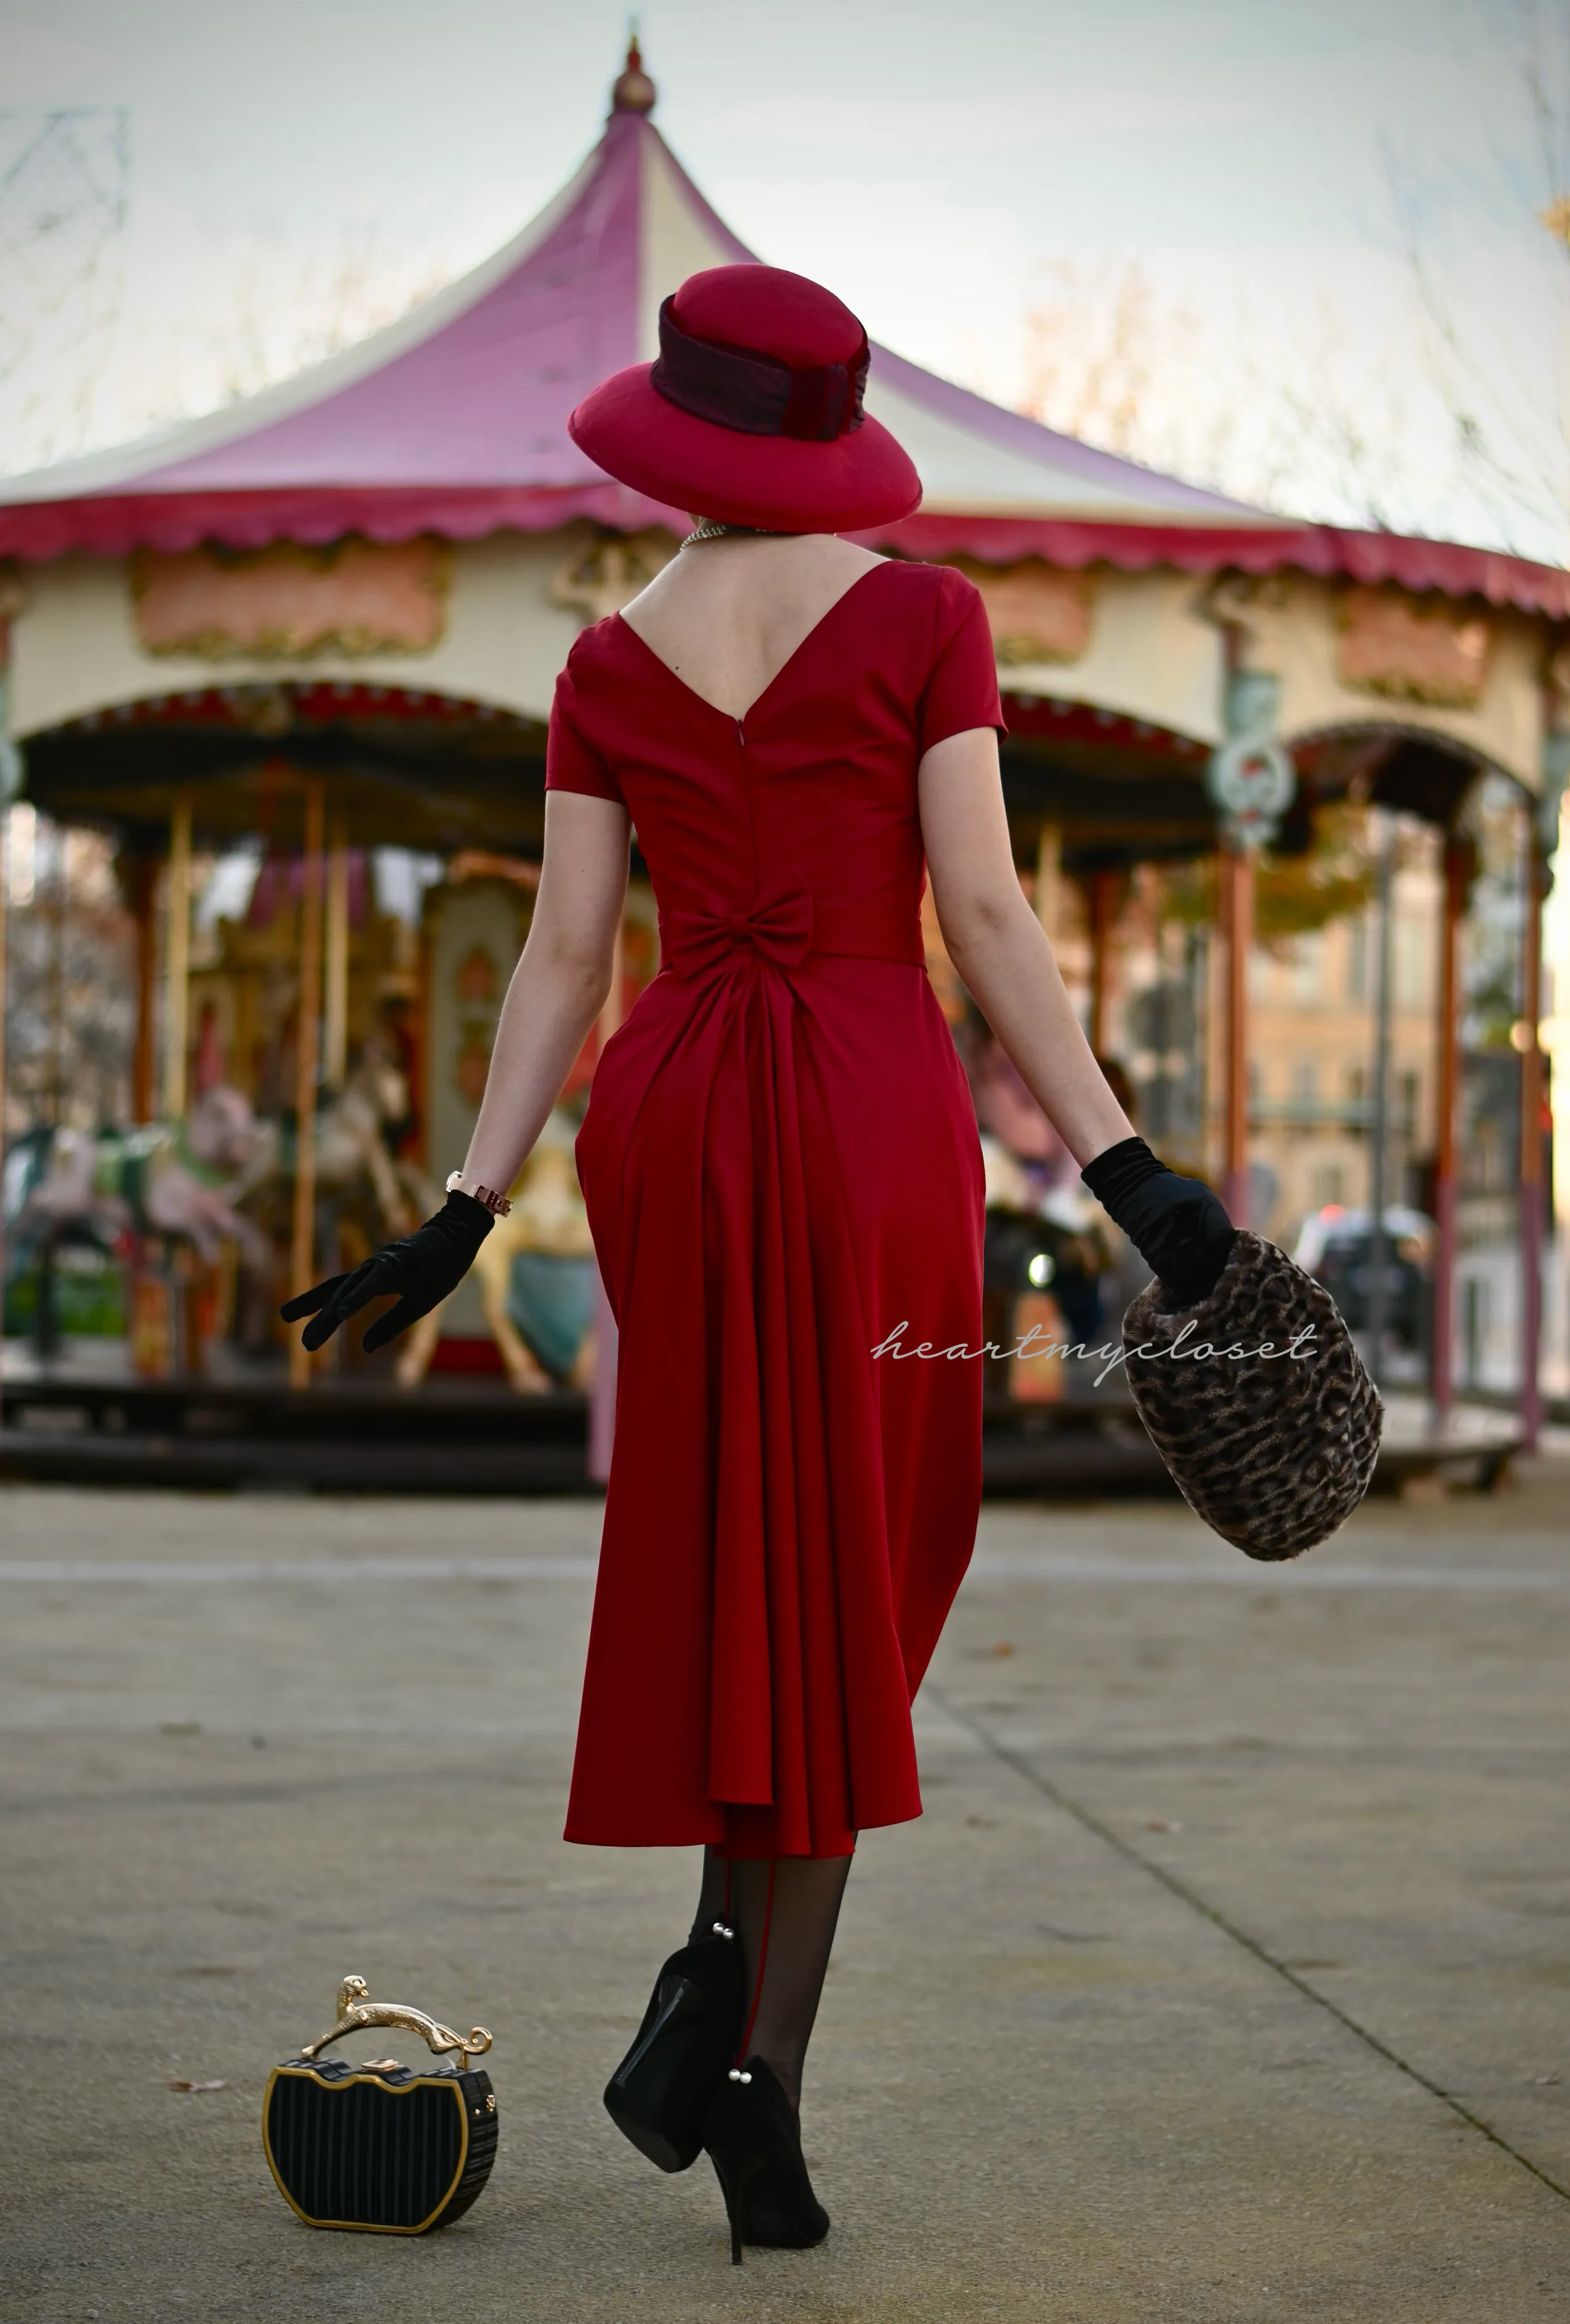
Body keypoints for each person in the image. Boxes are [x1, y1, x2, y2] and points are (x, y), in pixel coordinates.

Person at [283, 264, 1234, 2263]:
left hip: (679, 1124)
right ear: (829, 442)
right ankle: (749, 2056)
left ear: (678, 443)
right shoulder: (924, 616)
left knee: (746, 1568)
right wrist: (1134, 1174)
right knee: (857, 1578)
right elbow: (979, 905)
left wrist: (462, 1206)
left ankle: (725, 2007)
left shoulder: (605, 659)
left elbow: (561, 954)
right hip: (874, 1124)